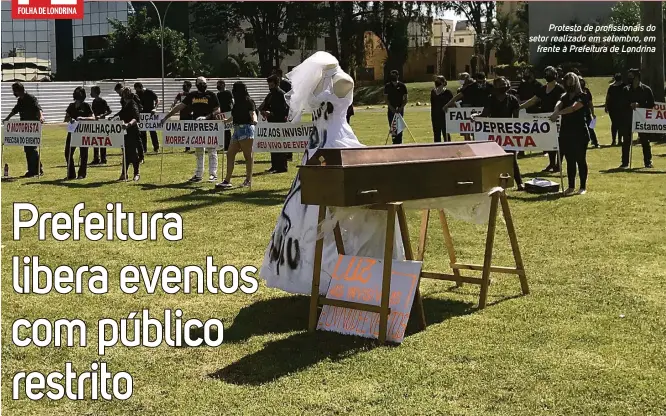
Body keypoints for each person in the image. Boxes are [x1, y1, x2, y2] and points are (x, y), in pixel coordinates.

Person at [258, 51, 405, 296]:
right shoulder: (318, 81)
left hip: (337, 140)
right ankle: (315, 271)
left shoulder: (343, 80)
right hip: (317, 145)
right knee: (310, 206)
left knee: (350, 202)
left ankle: (348, 265)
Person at [161, 76, 220, 182]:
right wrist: (167, 116)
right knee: (199, 150)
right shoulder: (192, 95)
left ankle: (213, 174)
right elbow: (180, 106)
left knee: (211, 149)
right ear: (196, 84)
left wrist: (206, 117)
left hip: (210, 125)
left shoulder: (211, 95)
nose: (202, 85)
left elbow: (217, 110)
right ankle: (198, 175)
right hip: (196, 125)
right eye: (200, 83)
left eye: (203, 83)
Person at [477, 77, 524, 191]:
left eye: (505, 84)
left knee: (512, 158)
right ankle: (493, 183)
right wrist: (475, 117)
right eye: (500, 84)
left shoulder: (512, 99)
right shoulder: (490, 99)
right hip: (494, 133)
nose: (503, 86)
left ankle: (519, 183)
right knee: (494, 158)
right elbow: (485, 114)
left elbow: (515, 119)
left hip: (508, 133)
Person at [550, 72, 590, 195]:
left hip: (580, 132)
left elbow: (573, 108)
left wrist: (558, 113)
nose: (569, 83)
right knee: (569, 160)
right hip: (566, 132)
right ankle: (571, 186)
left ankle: (582, 187)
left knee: (580, 159)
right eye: (567, 81)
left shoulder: (583, 96)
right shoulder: (564, 96)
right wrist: (556, 109)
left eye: (571, 81)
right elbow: (559, 103)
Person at [520, 66, 566, 172]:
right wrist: (520, 107)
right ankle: (551, 163)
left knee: (559, 142)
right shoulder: (543, 89)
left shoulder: (560, 89)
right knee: (549, 142)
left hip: (558, 118)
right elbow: (533, 100)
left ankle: (558, 164)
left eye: (551, 73)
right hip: (546, 119)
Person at [216, 82, 257, 189]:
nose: (233, 91)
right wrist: (226, 121)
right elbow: (234, 115)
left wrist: (255, 120)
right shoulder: (236, 103)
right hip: (237, 130)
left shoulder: (249, 101)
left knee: (248, 156)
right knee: (230, 154)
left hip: (246, 129)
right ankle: (227, 180)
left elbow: (253, 113)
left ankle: (248, 180)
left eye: (234, 89)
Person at [3, 82, 45, 177]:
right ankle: (34, 169)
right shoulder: (20, 101)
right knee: (27, 149)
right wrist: (7, 119)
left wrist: (41, 117)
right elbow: (14, 110)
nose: (14, 93)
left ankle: (36, 170)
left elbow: (38, 108)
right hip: (25, 127)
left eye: (15, 91)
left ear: (19, 90)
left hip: (33, 127)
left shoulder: (31, 98)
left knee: (32, 148)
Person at [619, 68, 655, 168]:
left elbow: (651, 104)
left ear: (637, 77)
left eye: (631, 76)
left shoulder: (646, 89)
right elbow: (621, 103)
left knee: (644, 140)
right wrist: (629, 105)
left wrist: (640, 105)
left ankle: (648, 161)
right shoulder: (625, 90)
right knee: (626, 140)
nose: (629, 79)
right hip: (628, 118)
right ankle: (624, 162)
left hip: (642, 119)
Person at [64, 86, 95, 180]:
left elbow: (93, 118)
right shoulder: (71, 106)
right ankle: (71, 174)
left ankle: (82, 174)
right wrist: (71, 119)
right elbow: (66, 118)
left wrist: (83, 118)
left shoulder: (86, 106)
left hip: (83, 132)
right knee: (68, 153)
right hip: (72, 132)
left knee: (83, 154)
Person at [259, 75, 289, 174]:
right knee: (273, 145)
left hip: (279, 123)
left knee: (280, 145)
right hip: (271, 123)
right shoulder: (270, 94)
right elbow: (264, 105)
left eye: (271, 85)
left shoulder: (281, 94)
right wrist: (262, 111)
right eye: (269, 85)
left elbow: (283, 111)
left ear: (276, 84)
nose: (269, 87)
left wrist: (271, 113)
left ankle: (281, 167)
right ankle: (274, 165)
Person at [113, 83, 144, 163]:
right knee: (126, 142)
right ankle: (128, 158)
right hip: (126, 121)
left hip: (133, 120)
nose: (119, 94)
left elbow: (139, 107)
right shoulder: (123, 100)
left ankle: (141, 157)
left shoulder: (133, 98)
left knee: (137, 141)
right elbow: (123, 110)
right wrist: (114, 116)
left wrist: (134, 114)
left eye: (119, 92)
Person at [117, 87, 142, 181]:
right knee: (125, 153)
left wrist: (129, 124)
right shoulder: (125, 104)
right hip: (125, 132)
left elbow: (136, 118)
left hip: (132, 131)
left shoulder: (132, 104)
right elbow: (121, 113)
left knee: (133, 153)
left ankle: (137, 173)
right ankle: (124, 173)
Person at [134, 82, 160, 153]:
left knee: (152, 132)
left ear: (141, 88)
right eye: (136, 90)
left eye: (138, 90)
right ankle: (144, 149)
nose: (137, 91)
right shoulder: (137, 95)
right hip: (141, 115)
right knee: (142, 132)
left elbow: (157, 100)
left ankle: (156, 147)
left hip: (150, 114)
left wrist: (155, 108)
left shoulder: (149, 92)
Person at [384, 69, 408, 144]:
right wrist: (391, 108)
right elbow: (386, 99)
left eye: (395, 75)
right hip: (391, 110)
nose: (393, 77)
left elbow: (406, 99)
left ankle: (400, 142)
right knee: (393, 126)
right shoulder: (387, 86)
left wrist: (400, 108)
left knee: (400, 126)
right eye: (392, 75)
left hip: (400, 110)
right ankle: (394, 142)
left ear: (398, 76)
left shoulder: (402, 86)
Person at [90, 86, 111, 165]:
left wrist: (101, 115)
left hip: (102, 123)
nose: (91, 93)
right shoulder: (94, 102)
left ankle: (103, 158)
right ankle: (96, 158)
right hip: (95, 123)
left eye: (92, 92)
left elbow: (109, 111)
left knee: (102, 141)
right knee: (95, 140)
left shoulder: (102, 101)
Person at [605, 73, 626, 146]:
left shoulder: (611, 87)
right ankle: (619, 140)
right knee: (620, 124)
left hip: (613, 108)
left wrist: (606, 106)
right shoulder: (624, 86)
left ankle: (614, 140)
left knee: (614, 124)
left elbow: (607, 98)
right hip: (620, 108)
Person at [430, 75, 453, 142]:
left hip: (444, 115)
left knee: (446, 134)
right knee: (436, 134)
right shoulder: (433, 92)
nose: (437, 82)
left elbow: (452, 103)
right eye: (436, 81)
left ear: (443, 82)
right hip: (435, 115)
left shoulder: (448, 92)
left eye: (439, 81)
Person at [173, 80, 193, 152]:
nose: (184, 87)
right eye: (183, 86)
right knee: (185, 131)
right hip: (183, 115)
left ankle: (192, 145)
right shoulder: (180, 94)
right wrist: (172, 107)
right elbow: (175, 102)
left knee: (191, 131)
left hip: (190, 115)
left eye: (185, 85)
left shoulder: (192, 95)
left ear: (189, 87)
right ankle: (187, 147)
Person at [580, 78, 599, 148]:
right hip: (579, 113)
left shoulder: (587, 91)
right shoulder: (575, 92)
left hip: (587, 112)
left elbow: (590, 103)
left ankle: (595, 142)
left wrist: (592, 113)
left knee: (591, 128)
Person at [216, 79, 234, 151]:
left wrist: (233, 110)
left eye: (219, 85)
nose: (217, 86)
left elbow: (232, 102)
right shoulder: (218, 94)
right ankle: (224, 145)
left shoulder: (228, 93)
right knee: (222, 130)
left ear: (223, 84)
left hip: (228, 112)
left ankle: (228, 145)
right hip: (221, 113)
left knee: (227, 130)